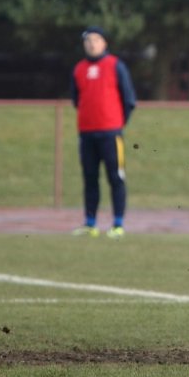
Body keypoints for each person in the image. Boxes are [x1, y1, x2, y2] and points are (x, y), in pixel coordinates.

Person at [70, 26, 137, 239]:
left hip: (111, 133)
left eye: (96, 39)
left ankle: (118, 224)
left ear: (104, 43)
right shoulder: (79, 69)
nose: (92, 44)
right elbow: (76, 99)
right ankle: (90, 224)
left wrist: (116, 123)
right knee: (90, 178)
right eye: (88, 40)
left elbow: (129, 100)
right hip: (87, 133)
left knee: (115, 177)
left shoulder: (115, 65)